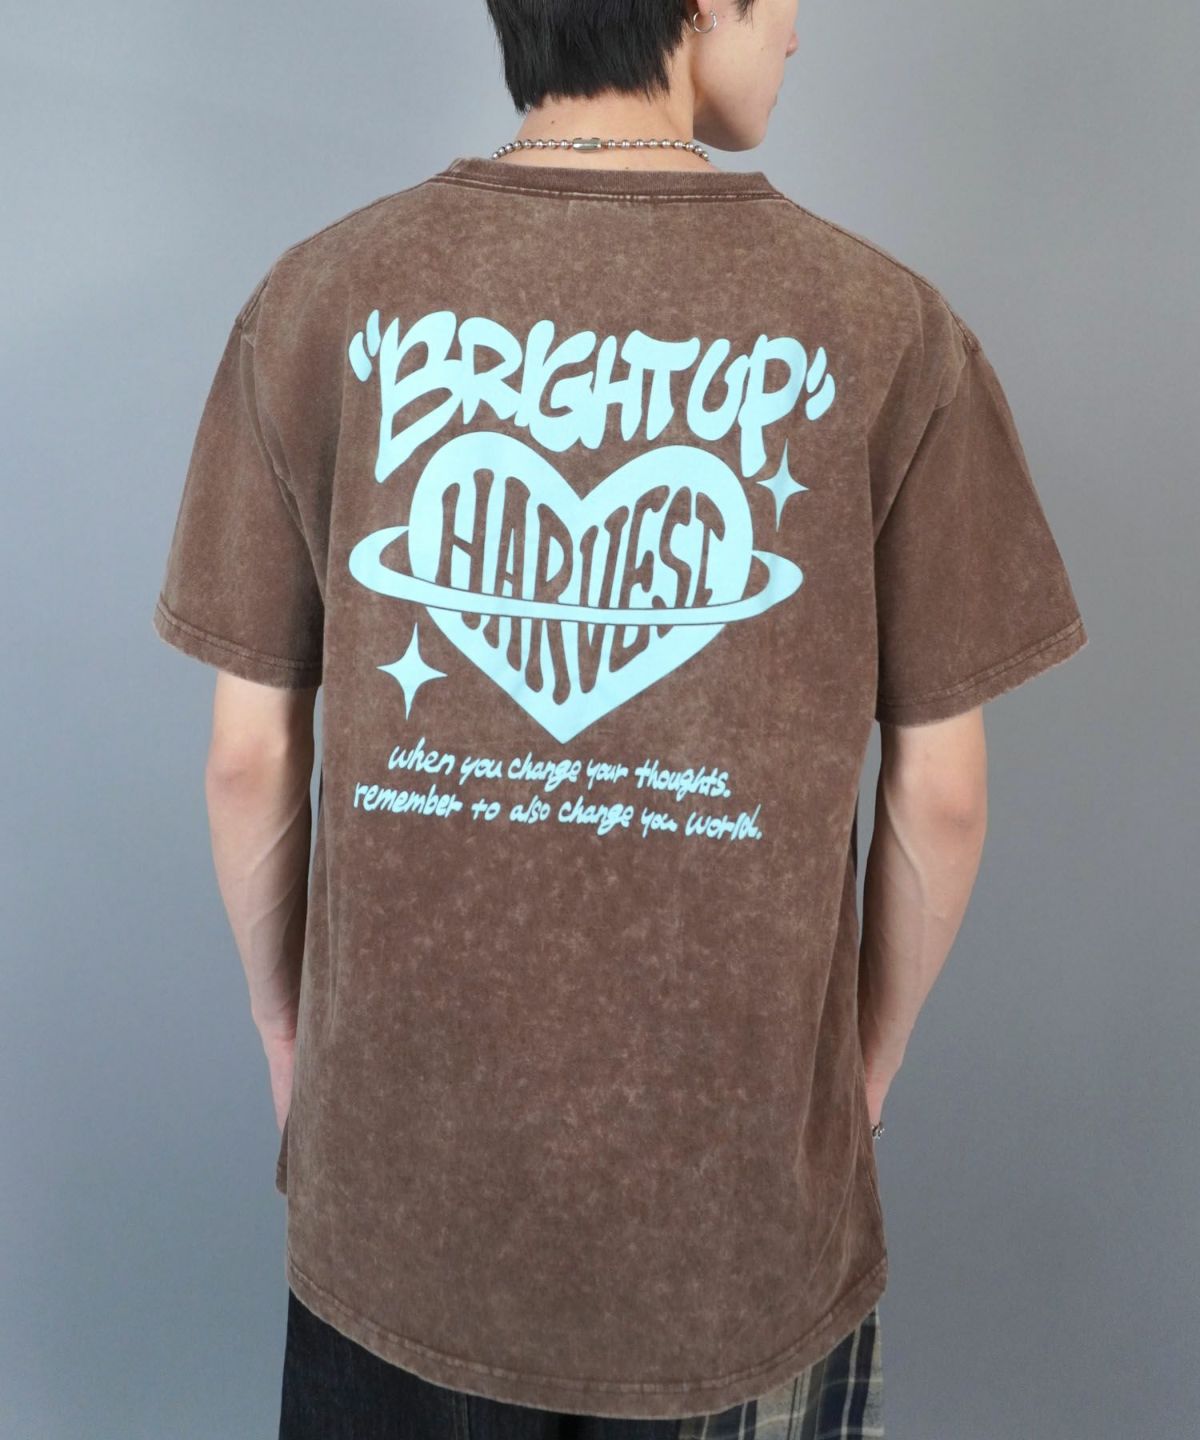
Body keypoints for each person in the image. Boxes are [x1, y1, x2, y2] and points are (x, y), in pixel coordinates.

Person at [151, 0, 1088, 1435]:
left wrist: (295, 1049)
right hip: (735, 1240)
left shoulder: (321, 297)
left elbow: (246, 757)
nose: (799, 33)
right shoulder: (888, 328)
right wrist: (861, 1080)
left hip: (395, 1207)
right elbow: (943, 794)